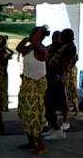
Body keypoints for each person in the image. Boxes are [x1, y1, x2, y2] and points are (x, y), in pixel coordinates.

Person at [17, 26, 48, 155]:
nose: (31, 36)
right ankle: (31, 141)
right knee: (24, 113)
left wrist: (39, 32)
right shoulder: (30, 48)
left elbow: (36, 44)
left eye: (34, 34)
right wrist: (25, 40)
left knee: (33, 115)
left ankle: (41, 145)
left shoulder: (42, 50)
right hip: (26, 85)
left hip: (35, 86)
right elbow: (19, 49)